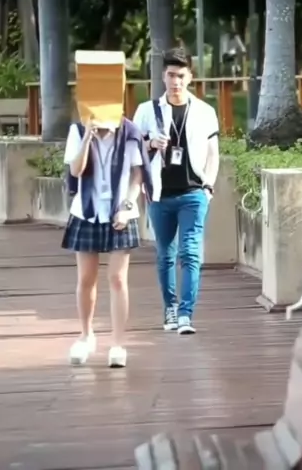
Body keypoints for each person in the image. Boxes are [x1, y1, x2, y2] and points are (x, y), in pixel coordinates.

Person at [133, 47, 220, 335]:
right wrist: (150, 144)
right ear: (163, 76)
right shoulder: (147, 111)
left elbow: (213, 153)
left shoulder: (205, 112)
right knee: (165, 255)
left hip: (194, 193)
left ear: (190, 77)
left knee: (191, 253)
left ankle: (185, 314)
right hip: (160, 194)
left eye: (181, 76)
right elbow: (132, 151)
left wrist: (208, 186)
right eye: (171, 75)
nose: (176, 82)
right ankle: (170, 308)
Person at [62, 116, 153, 367]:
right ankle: (86, 335)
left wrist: (127, 205)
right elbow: (75, 171)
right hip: (86, 210)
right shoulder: (77, 130)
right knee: (86, 278)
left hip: (120, 210)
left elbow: (137, 174)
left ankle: (118, 344)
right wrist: (87, 137)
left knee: (118, 278)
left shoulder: (129, 131)